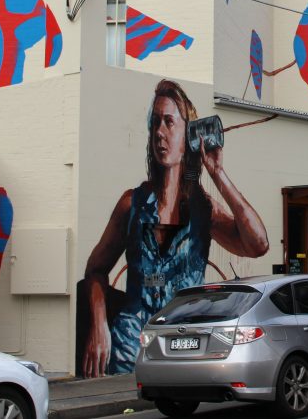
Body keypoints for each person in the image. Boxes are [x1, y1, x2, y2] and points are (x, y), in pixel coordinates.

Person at [81, 79, 269, 377]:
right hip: (129, 349)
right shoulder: (132, 204)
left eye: (169, 122)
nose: (159, 132)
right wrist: (99, 323)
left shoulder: (203, 210)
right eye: (155, 123)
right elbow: (95, 271)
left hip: (184, 345)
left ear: (188, 135)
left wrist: (218, 173)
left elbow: (258, 244)